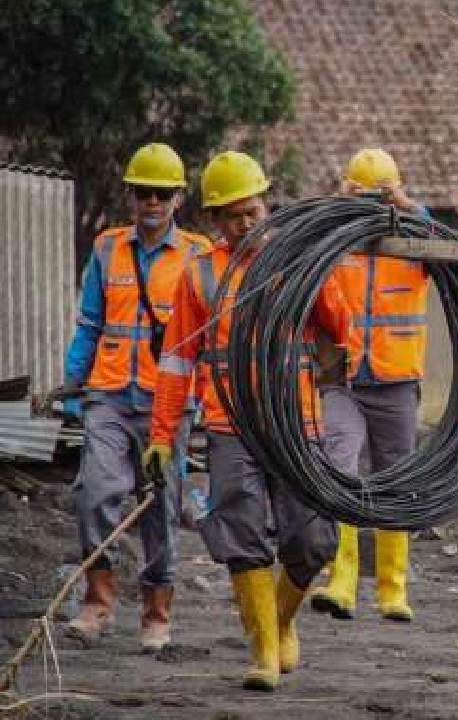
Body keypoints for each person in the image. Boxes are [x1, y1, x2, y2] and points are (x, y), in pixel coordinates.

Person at [144, 151, 351, 691]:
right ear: (214, 220)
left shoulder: (296, 262)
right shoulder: (200, 275)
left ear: (268, 205)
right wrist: (163, 435)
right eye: (233, 215)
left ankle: (279, 620)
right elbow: (176, 361)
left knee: (311, 540)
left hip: (296, 423)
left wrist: (317, 270)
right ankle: (262, 650)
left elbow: (342, 325)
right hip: (230, 424)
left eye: (253, 211)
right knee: (241, 535)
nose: (246, 223)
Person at [62, 142, 209, 650]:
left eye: (162, 194)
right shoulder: (107, 249)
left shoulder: (197, 255)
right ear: (131, 196)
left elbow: (211, 338)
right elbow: (88, 325)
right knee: (94, 495)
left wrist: (207, 400)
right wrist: (73, 387)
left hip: (167, 405)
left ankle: (155, 612)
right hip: (108, 395)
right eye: (143, 192)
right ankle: (96, 602)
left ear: (177, 199)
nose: (152, 202)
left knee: (160, 507)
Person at [311, 148, 432, 622]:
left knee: (394, 480)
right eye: (364, 197)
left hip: (396, 381)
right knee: (340, 464)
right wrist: (336, 204)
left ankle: (392, 589)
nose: (372, 208)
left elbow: (448, 241)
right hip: (342, 378)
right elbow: (301, 244)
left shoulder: (415, 247)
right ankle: (341, 580)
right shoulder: (334, 248)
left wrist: (406, 205)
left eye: (380, 197)